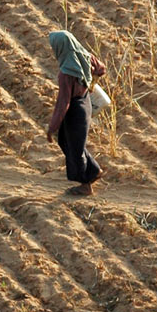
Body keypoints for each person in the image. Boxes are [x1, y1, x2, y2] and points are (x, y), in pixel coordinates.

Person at [46, 30, 105, 196]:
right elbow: (101, 69)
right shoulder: (85, 56)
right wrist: (91, 76)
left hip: (74, 110)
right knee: (70, 142)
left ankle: (85, 184)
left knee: (74, 147)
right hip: (85, 103)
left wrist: (52, 127)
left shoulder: (66, 73)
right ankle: (94, 170)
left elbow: (63, 103)